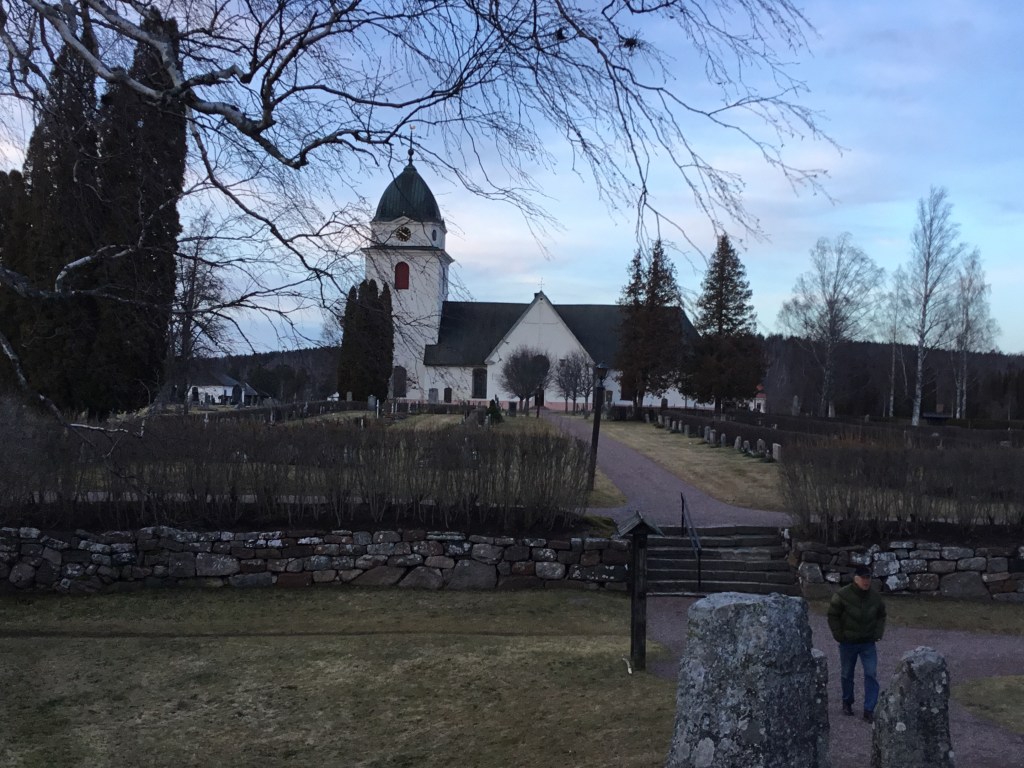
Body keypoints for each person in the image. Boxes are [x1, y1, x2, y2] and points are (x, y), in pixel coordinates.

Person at [827, 563, 887, 724]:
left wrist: (877, 633)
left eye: (868, 578)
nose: (866, 581)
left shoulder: (875, 597)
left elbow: (881, 615)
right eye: (863, 578)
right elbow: (832, 615)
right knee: (847, 674)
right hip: (848, 643)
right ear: (856, 579)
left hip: (868, 643)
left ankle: (869, 709)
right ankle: (847, 701)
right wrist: (839, 635)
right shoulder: (842, 595)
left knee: (871, 673)